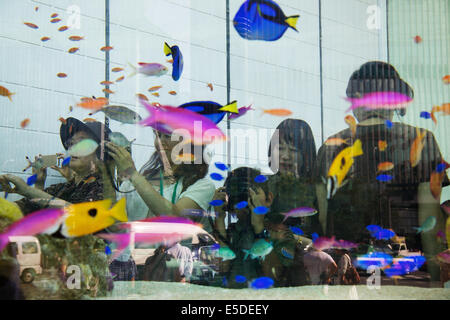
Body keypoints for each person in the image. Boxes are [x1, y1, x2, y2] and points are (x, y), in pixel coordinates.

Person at [314, 61, 449, 282]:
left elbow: (322, 218)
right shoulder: (422, 140)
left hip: (348, 273)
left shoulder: (332, 146)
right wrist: (435, 276)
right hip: (408, 270)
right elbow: (430, 220)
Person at [211, 167, 276, 288]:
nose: (245, 203)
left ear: (269, 199)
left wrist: (259, 226)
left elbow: (272, 275)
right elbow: (222, 267)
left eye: (252, 194)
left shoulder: (276, 231)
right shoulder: (232, 231)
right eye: (238, 199)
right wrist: (219, 219)